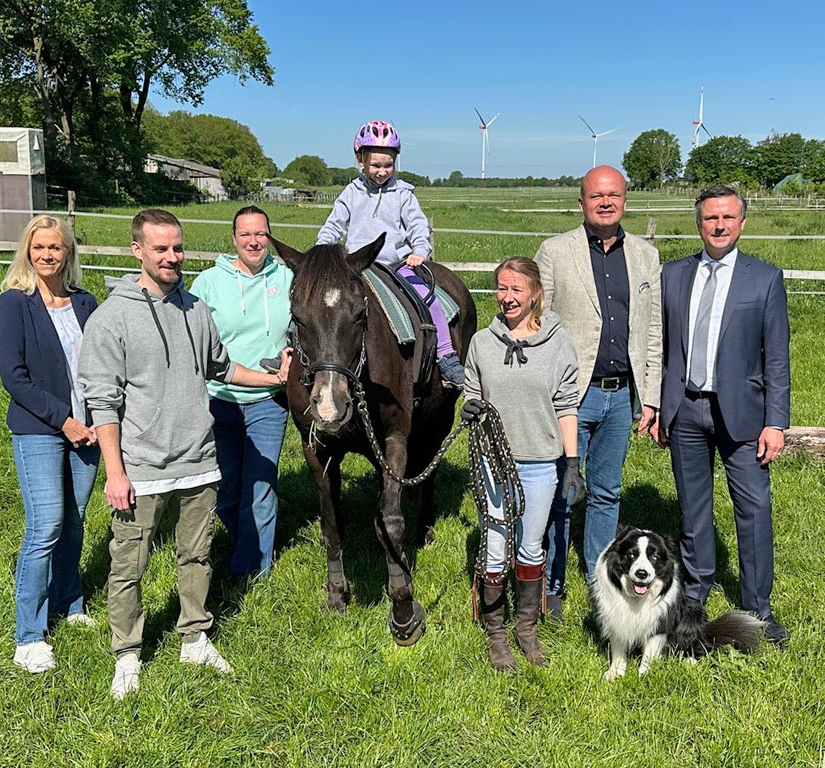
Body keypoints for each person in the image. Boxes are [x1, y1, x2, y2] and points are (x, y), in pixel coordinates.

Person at [78, 209, 292, 700]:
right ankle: (127, 653)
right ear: (138, 251)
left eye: (178, 248)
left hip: (198, 458)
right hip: (141, 466)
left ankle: (194, 636)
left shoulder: (196, 309)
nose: (172, 257)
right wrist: (115, 471)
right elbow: (103, 401)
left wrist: (276, 379)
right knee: (127, 565)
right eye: (161, 249)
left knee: (195, 555)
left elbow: (222, 367)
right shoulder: (113, 317)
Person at [652, 185, 791, 646]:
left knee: (753, 508)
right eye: (711, 218)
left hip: (745, 414)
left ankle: (758, 610)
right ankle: (693, 599)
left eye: (728, 218)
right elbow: (661, 347)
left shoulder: (764, 279)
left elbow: (777, 359)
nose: (719, 225)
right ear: (699, 223)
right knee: (694, 512)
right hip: (687, 409)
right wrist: (656, 406)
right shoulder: (672, 275)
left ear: (742, 223)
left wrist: (776, 421)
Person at [534, 165, 662, 614]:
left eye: (613, 195)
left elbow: (652, 329)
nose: (605, 202)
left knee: (607, 491)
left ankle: (600, 579)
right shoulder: (555, 252)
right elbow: (538, 321)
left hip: (621, 393)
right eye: (596, 196)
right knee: (561, 489)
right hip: (572, 395)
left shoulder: (646, 256)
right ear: (582, 202)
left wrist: (651, 394)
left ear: (625, 199)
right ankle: (550, 582)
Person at [461, 257, 585, 672]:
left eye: (516, 289)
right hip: (493, 460)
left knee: (531, 545)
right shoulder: (482, 343)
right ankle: (496, 634)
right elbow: (470, 389)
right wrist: (472, 406)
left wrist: (571, 462)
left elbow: (567, 404)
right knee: (496, 545)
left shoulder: (558, 342)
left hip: (539, 462)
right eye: (501, 288)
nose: (508, 297)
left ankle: (526, 627)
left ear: (535, 293)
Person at [0, 215, 100, 674]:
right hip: (40, 428)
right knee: (45, 526)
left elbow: (101, 363)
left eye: (56, 247)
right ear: (27, 252)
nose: (47, 255)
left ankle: (69, 600)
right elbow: (14, 378)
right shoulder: (15, 304)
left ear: (68, 252)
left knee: (74, 522)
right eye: (39, 248)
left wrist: (97, 420)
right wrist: (65, 420)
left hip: (90, 430)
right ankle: (29, 635)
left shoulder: (84, 302)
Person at [317, 119, 465, 388]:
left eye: (388, 165)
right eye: (376, 165)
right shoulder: (351, 193)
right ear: (360, 160)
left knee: (430, 299)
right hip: (358, 266)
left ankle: (446, 354)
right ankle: (292, 349)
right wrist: (322, 251)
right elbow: (334, 225)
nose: (382, 171)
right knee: (318, 303)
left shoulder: (403, 194)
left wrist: (420, 250)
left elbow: (418, 225)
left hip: (397, 264)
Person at [189, 205, 292, 578]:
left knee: (261, 486)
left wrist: (292, 356)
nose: (253, 241)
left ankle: (251, 570)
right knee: (228, 486)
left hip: (269, 399)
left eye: (261, 234)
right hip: (220, 397)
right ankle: (242, 544)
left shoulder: (288, 277)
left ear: (270, 237)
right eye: (245, 234)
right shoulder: (208, 284)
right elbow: (193, 336)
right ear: (233, 239)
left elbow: (306, 325)